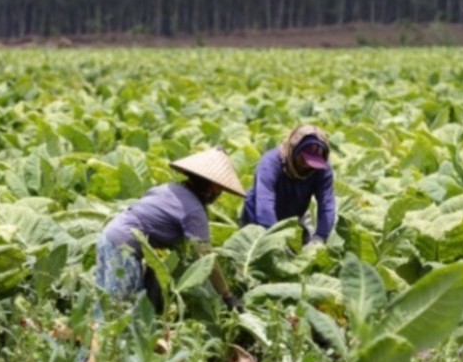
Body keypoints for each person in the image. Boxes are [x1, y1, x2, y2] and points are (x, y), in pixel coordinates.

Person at [95, 148, 245, 315]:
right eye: (219, 189)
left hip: (108, 236)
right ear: (208, 185)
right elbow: (205, 258)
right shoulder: (194, 211)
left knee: (105, 305)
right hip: (124, 248)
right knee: (120, 311)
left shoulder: (167, 188)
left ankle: (94, 338)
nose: (219, 194)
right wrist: (227, 295)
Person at [241, 124, 336, 247]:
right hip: (257, 218)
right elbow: (265, 203)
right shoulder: (271, 163)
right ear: (294, 151)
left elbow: (327, 204)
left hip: (293, 217)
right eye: (304, 160)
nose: (308, 166)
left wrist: (320, 237)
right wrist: (275, 238)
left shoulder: (322, 170)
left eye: (314, 163)